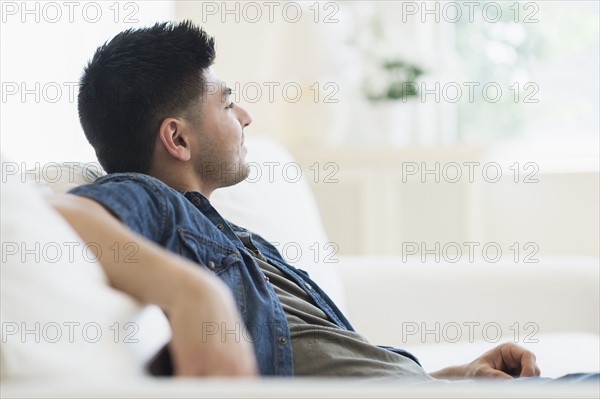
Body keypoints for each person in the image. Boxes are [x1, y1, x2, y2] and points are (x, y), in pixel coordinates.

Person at [61, 20, 588, 382]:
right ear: (177, 139)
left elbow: (332, 364)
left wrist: (451, 376)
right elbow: (61, 216)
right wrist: (196, 294)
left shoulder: (236, 239)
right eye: (226, 102)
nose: (244, 116)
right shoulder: (154, 201)